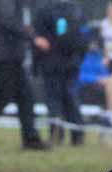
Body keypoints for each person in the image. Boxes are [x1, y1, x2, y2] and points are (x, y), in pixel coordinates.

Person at [0, 0, 50, 152]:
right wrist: (33, 37)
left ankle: (30, 138)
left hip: (7, 56)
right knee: (1, 99)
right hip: (6, 56)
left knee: (25, 98)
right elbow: (8, 21)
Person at [33, 0, 87, 146]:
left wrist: (35, 64)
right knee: (70, 97)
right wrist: (78, 59)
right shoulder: (76, 9)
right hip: (72, 62)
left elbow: (39, 37)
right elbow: (83, 38)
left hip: (51, 61)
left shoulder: (43, 9)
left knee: (53, 99)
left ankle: (56, 134)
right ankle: (77, 134)